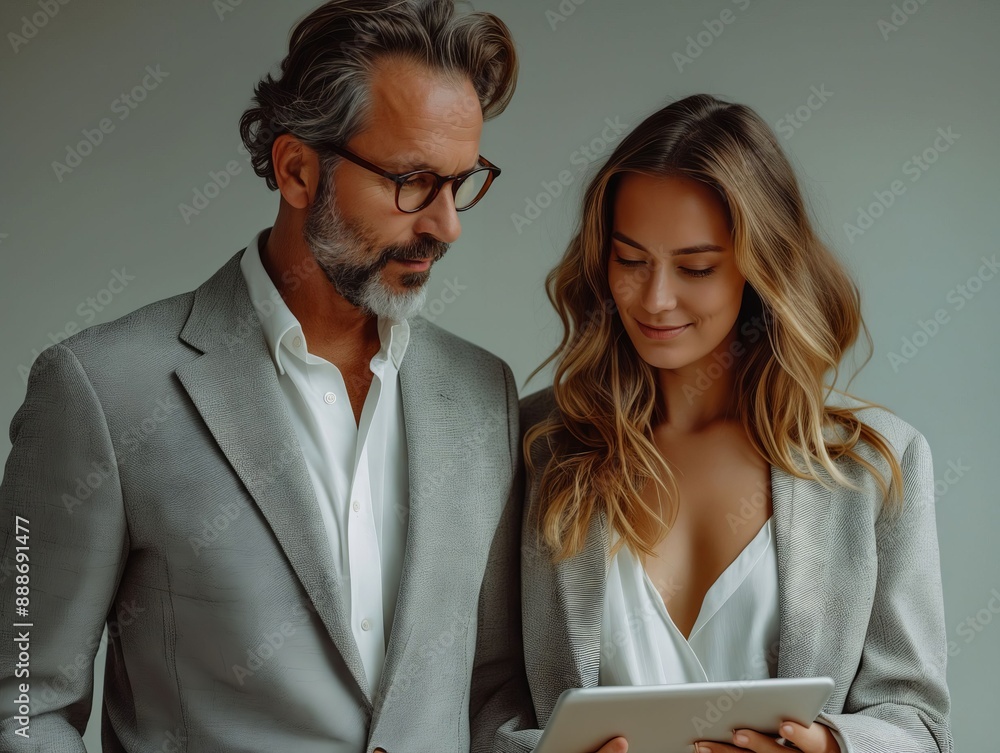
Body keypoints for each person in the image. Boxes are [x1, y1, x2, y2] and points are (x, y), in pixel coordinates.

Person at [0, 2, 531, 751]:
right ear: (297, 169)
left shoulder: (482, 393)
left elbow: (493, 686)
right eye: (413, 182)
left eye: (460, 181)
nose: (446, 225)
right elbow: (21, 701)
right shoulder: (101, 390)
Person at [496, 94, 952, 753]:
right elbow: (478, 700)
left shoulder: (876, 462)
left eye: (696, 267)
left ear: (761, 268)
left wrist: (830, 746)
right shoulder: (533, 447)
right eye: (630, 260)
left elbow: (921, 723)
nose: (654, 299)